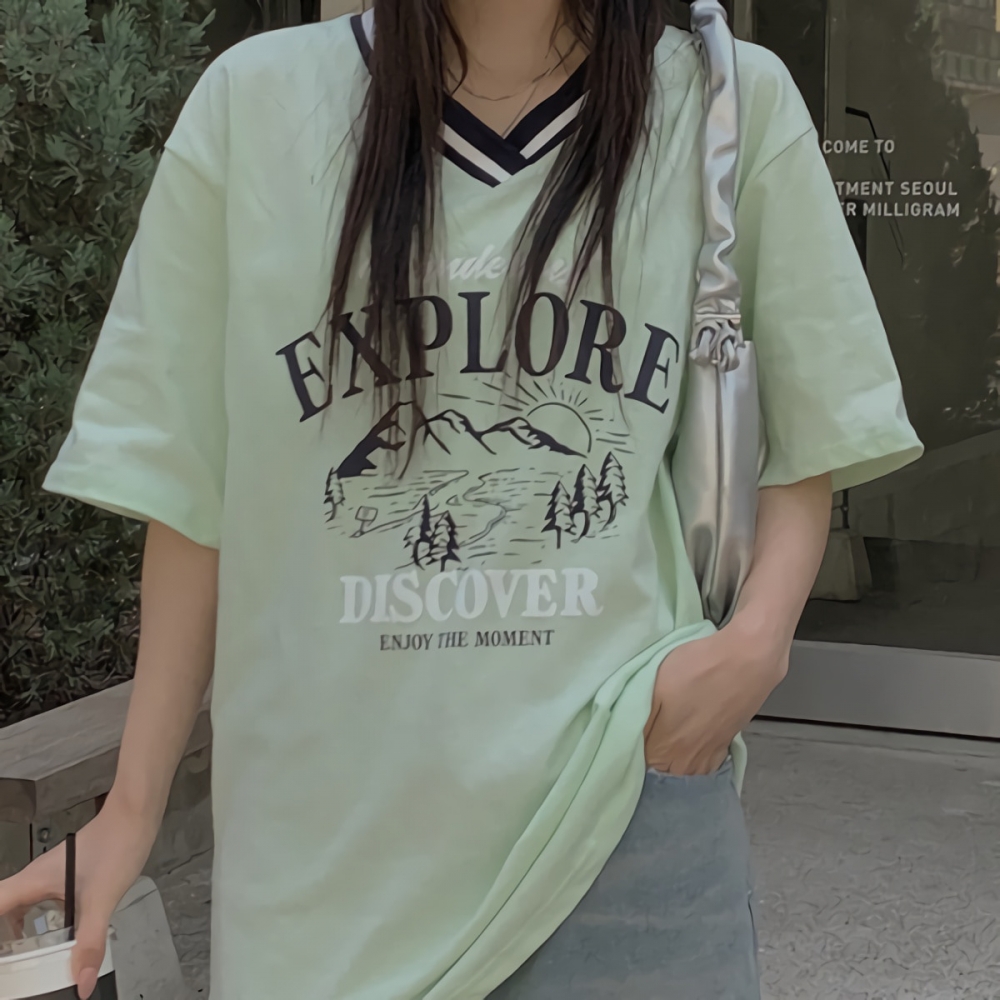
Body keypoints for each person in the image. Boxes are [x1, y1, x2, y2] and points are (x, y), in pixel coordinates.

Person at [0, 0, 923, 997]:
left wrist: (754, 649)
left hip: (618, 815)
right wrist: (130, 811)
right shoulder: (256, 103)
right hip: (323, 866)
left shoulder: (720, 103)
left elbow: (814, 425)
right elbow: (189, 489)